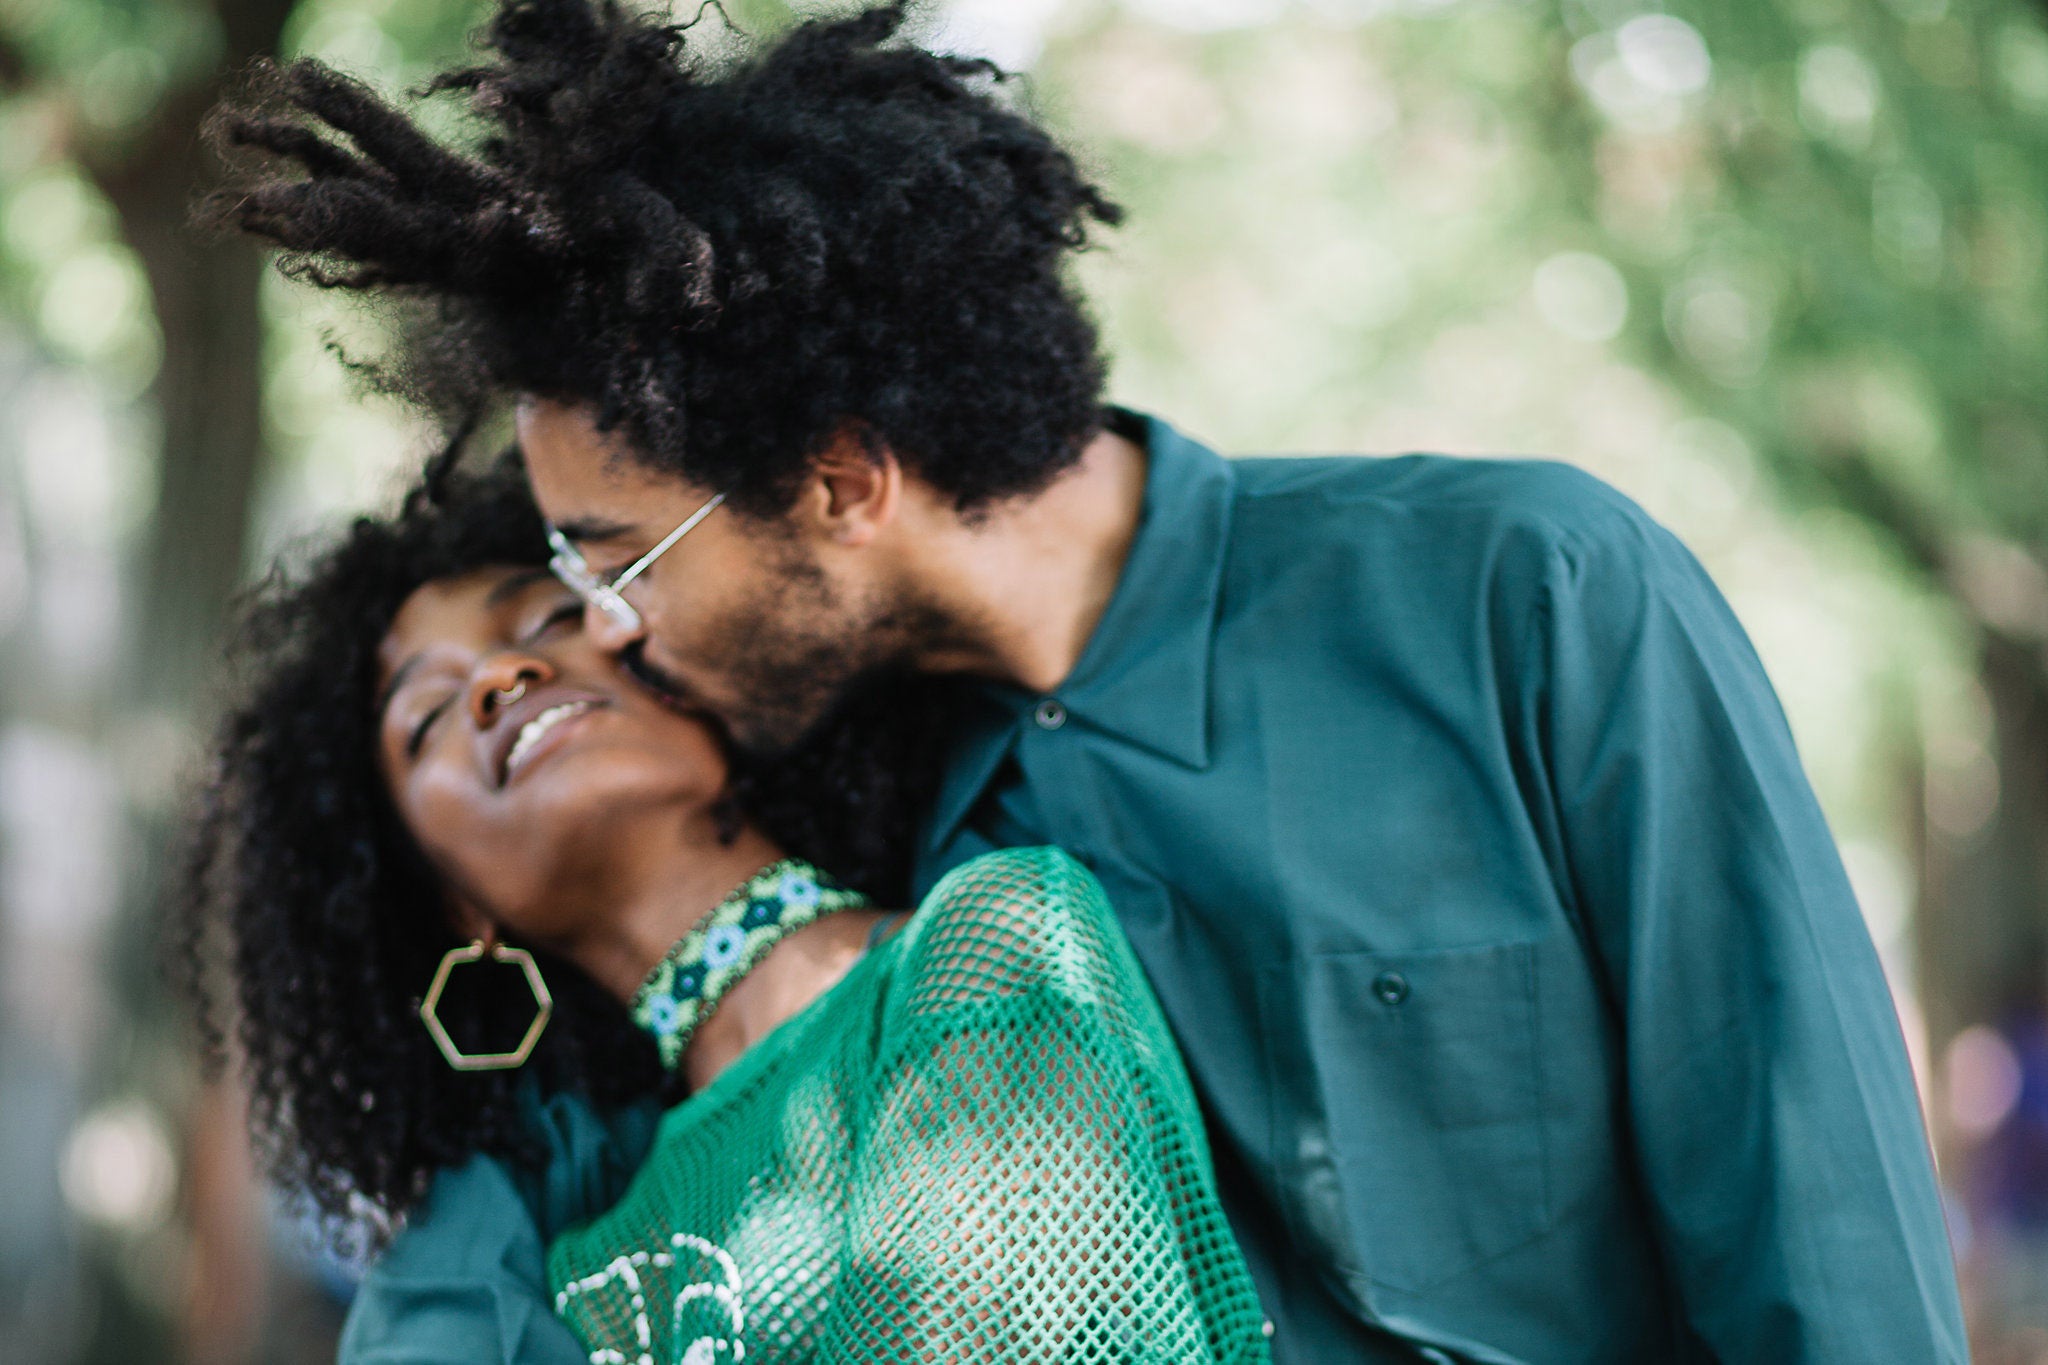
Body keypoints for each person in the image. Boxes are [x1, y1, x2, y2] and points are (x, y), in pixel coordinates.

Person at [207, 1, 1968, 1359]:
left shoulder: (1521, 593)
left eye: (609, 558)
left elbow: (1813, 1236)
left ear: (836, 478)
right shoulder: (877, 829)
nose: (593, 628)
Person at [175, 457, 1270, 1364]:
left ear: (683, 662)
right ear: (460, 908)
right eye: (423, 719)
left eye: (554, 617)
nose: (500, 676)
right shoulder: (576, 1253)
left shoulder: (988, 942)